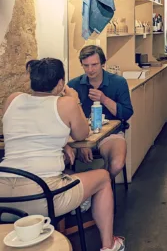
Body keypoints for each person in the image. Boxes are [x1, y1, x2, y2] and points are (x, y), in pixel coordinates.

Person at [0, 58, 125, 251]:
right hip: (42, 197)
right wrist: (74, 100)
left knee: (66, 168)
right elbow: (82, 134)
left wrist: (64, 143)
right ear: (60, 83)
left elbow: (35, 129)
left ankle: (79, 201)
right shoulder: (66, 104)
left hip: (4, 196)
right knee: (103, 177)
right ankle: (109, 246)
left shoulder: (12, 99)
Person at [68, 45, 133, 180]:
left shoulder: (118, 82)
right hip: (80, 137)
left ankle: (101, 187)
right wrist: (81, 144)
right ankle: (82, 191)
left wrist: (104, 99)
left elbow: (126, 113)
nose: (90, 70)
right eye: (86, 66)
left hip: (110, 134)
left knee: (116, 165)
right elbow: (67, 118)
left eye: (94, 65)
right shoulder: (73, 85)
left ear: (103, 63)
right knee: (61, 161)